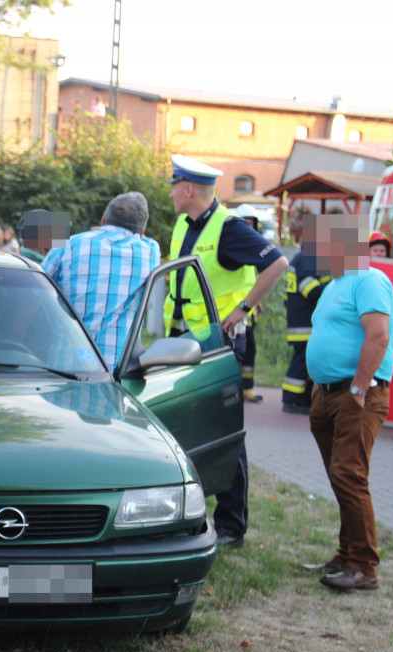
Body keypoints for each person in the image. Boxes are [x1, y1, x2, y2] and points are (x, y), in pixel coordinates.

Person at [165, 154, 289, 549]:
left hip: (219, 346)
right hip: (181, 343)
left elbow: (277, 264)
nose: (170, 192)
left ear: (187, 189)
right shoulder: (184, 224)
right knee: (182, 430)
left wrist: (244, 309)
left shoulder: (229, 228)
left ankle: (231, 524)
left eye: (173, 185)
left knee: (225, 432)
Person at [302, 215, 393, 591]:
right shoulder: (336, 284)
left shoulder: (369, 279)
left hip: (356, 396)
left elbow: (378, 337)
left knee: (348, 474)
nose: (315, 251)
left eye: (320, 244)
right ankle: (346, 555)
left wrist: (359, 388)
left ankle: (363, 566)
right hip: (329, 394)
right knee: (341, 476)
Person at [43, 192, 161, 371]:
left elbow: (37, 288)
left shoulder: (67, 245)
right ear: (142, 230)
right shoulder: (150, 252)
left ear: (104, 218)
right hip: (117, 371)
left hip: (65, 367)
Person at [282, 216, 330, 414]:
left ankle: (303, 400)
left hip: (303, 320)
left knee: (308, 361)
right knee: (302, 362)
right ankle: (292, 401)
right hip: (305, 323)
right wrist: (333, 290)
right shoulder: (308, 257)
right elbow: (308, 287)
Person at [233, 204, 265, 404]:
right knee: (238, 348)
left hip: (249, 306)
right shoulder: (233, 245)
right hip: (235, 307)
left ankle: (247, 388)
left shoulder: (252, 246)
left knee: (249, 347)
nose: (248, 227)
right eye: (244, 222)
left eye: (251, 223)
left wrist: (257, 300)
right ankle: (238, 389)